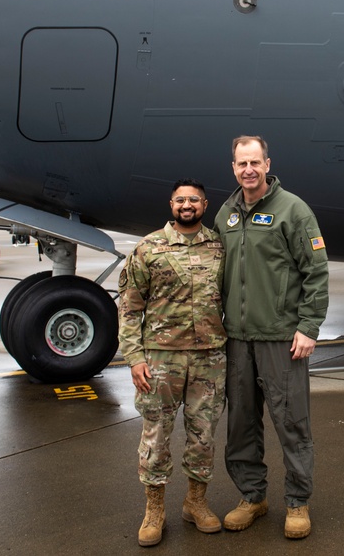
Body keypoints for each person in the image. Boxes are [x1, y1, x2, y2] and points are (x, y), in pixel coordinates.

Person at [214, 135, 329, 540]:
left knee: (291, 423)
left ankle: (298, 503)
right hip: (238, 340)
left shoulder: (292, 210)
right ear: (233, 167)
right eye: (241, 163)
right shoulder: (226, 214)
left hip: (282, 338)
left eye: (255, 162)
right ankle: (252, 497)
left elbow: (316, 271)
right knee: (241, 425)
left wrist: (308, 327)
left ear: (267, 164)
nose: (248, 170)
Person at [118, 178, 227, 547]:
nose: (187, 205)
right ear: (171, 204)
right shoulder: (149, 248)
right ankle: (154, 510)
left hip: (209, 359)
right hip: (161, 361)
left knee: (204, 436)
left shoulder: (219, 247)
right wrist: (133, 358)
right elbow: (130, 309)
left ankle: (196, 502)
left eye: (193, 200)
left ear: (205, 204)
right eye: (180, 199)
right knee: (156, 436)